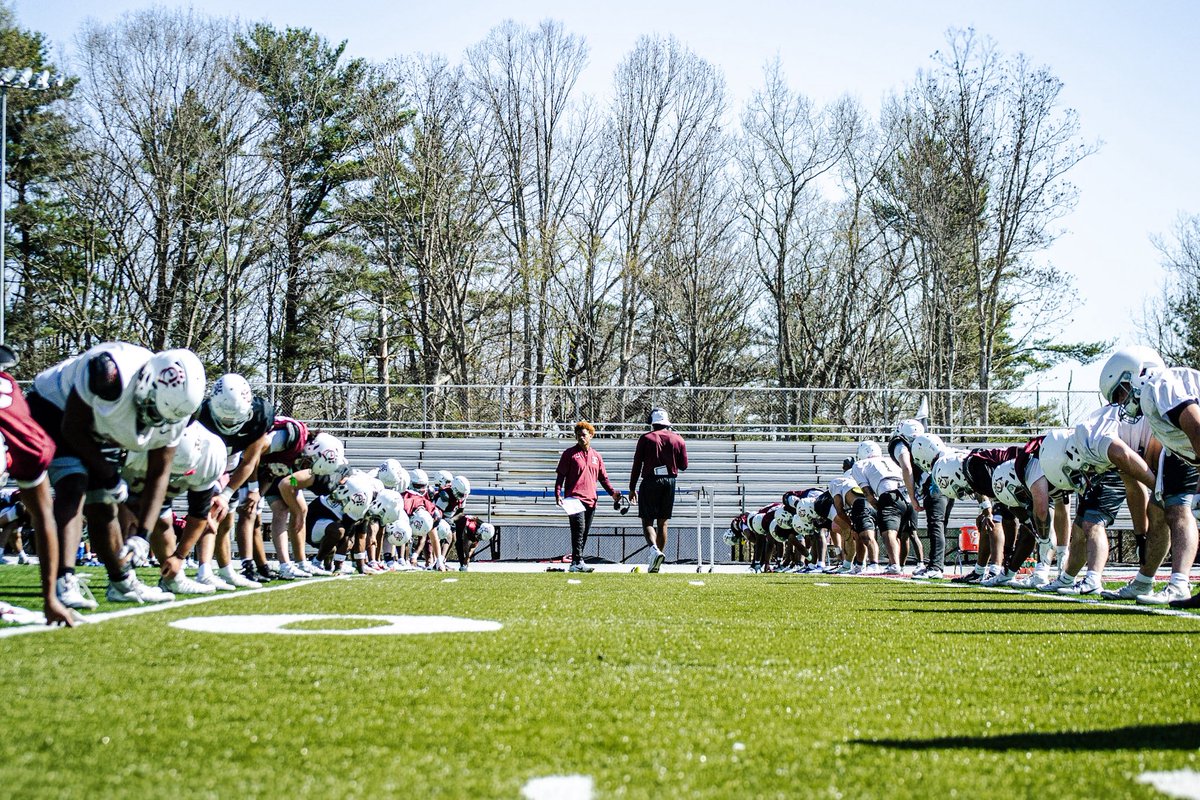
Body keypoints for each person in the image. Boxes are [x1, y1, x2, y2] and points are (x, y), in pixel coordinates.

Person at [0, 346, 74, 625]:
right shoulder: (28, 440)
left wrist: (50, 598)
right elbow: (45, 518)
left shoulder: (27, 444)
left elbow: (44, 517)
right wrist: (50, 600)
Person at [555, 421, 622, 573]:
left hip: (591, 499)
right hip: (573, 498)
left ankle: (576, 561)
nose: (581, 438)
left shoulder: (596, 456)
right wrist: (557, 493)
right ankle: (577, 561)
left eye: (584, 435)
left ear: (591, 436)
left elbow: (603, 478)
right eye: (578, 435)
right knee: (578, 529)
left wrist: (613, 493)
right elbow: (560, 476)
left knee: (584, 532)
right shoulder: (569, 454)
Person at [629, 408, 688, 573]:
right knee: (663, 522)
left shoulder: (646, 438)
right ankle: (657, 561)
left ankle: (654, 550)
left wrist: (632, 487)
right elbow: (684, 466)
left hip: (650, 480)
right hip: (670, 481)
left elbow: (637, 464)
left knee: (647, 521)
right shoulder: (678, 439)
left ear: (653, 423)